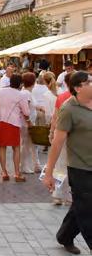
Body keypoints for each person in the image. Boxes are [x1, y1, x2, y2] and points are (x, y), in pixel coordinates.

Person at [42, 71, 92, 255]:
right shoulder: (68, 109)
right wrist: (49, 173)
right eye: (89, 82)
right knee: (87, 209)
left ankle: (65, 236)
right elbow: (57, 142)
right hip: (79, 167)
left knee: (81, 205)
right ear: (78, 88)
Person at [0, 74, 30, 182]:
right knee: (16, 147)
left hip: (1, 121)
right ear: (20, 84)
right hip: (13, 122)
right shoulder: (21, 95)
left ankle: (4, 172)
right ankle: (17, 173)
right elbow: (26, 112)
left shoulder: (1, 91)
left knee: (2, 146)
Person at [49, 72, 73, 205]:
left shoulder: (61, 97)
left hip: (61, 134)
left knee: (60, 166)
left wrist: (51, 132)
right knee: (73, 166)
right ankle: (70, 196)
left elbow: (55, 117)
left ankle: (57, 195)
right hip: (75, 136)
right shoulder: (82, 97)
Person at [20, 72, 41, 174]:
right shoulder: (26, 93)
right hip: (26, 123)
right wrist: (29, 122)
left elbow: (32, 105)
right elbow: (25, 109)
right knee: (27, 145)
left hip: (29, 122)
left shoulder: (27, 92)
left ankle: (36, 165)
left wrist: (40, 108)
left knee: (32, 144)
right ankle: (24, 166)